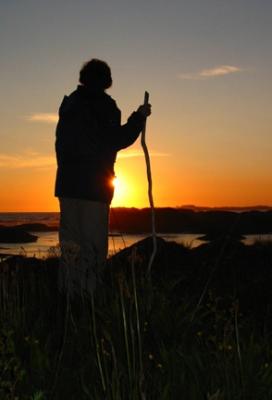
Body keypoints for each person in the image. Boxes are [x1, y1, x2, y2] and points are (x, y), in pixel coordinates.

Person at [55, 58, 151, 297]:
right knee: (93, 248)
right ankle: (88, 301)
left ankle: (68, 299)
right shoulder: (104, 106)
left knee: (70, 247)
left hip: (67, 186)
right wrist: (138, 118)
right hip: (94, 188)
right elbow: (115, 139)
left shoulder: (70, 105)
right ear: (106, 81)